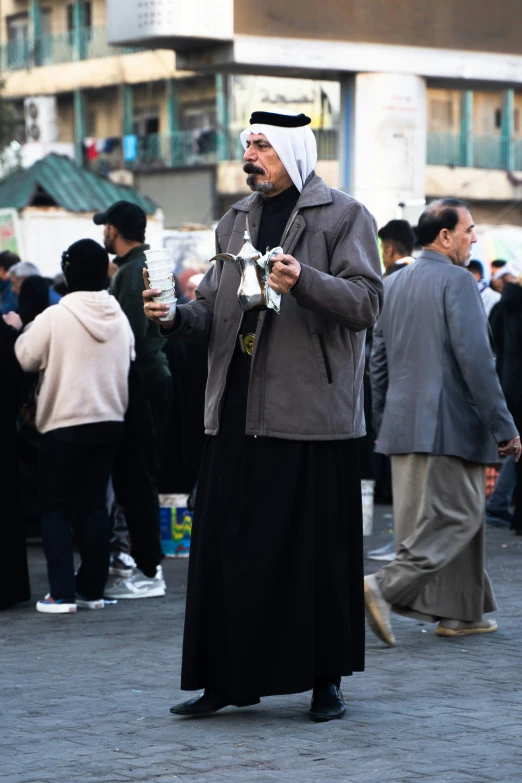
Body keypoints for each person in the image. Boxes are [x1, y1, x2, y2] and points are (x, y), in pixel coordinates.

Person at [144, 110, 383, 722]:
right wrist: (171, 317)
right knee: (230, 557)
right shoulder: (234, 221)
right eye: (247, 145)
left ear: (292, 152)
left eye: (262, 146)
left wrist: (305, 280)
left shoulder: (344, 215)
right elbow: (210, 313)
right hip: (236, 414)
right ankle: (227, 680)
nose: (250, 155)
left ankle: (324, 682)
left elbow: (366, 303)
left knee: (316, 560)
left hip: (311, 419)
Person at [367, 198, 520, 647]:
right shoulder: (456, 280)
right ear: (445, 236)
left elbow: (377, 361)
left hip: (404, 424)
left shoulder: (393, 284)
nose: (475, 237)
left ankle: (462, 614)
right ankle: (382, 587)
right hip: (450, 424)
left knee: (454, 519)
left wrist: (384, 418)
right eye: (469, 229)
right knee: (460, 515)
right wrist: (504, 427)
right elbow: (477, 362)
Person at [15, 239, 135, 613]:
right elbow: (129, 359)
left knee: (55, 510)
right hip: (110, 423)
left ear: (67, 273)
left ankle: (62, 593)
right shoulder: (119, 315)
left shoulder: (55, 316)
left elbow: (24, 357)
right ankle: (92, 590)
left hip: (64, 425)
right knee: (95, 507)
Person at [93, 200, 171, 599]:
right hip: (154, 378)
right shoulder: (151, 263)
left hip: (137, 383)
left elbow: (128, 338)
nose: (102, 232)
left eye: (105, 226)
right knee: (140, 475)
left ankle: (148, 569)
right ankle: (145, 563)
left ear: (115, 230)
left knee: (135, 477)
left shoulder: (126, 273)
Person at [489, 273, 522, 535]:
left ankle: (502, 504)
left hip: (508, 382)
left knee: (517, 448)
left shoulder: (502, 305)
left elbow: (493, 342)